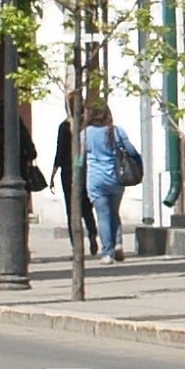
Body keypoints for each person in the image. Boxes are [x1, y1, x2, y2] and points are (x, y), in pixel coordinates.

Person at [81, 103, 133, 263]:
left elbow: (80, 158)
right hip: (116, 178)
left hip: (96, 180)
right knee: (114, 213)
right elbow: (131, 151)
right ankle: (118, 244)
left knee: (103, 216)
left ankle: (107, 253)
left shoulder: (85, 134)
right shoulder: (117, 131)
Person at [52, 113, 100, 257]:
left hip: (68, 171)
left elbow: (60, 151)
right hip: (86, 170)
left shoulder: (65, 126)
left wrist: (53, 173)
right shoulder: (87, 126)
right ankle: (92, 233)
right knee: (86, 206)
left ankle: (76, 245)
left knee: (71, 209)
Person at [0, 109, 40, 202]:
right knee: (21, 210)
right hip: (21, 176)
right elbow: (32, 153)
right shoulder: (22, 133)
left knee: (1, 209)